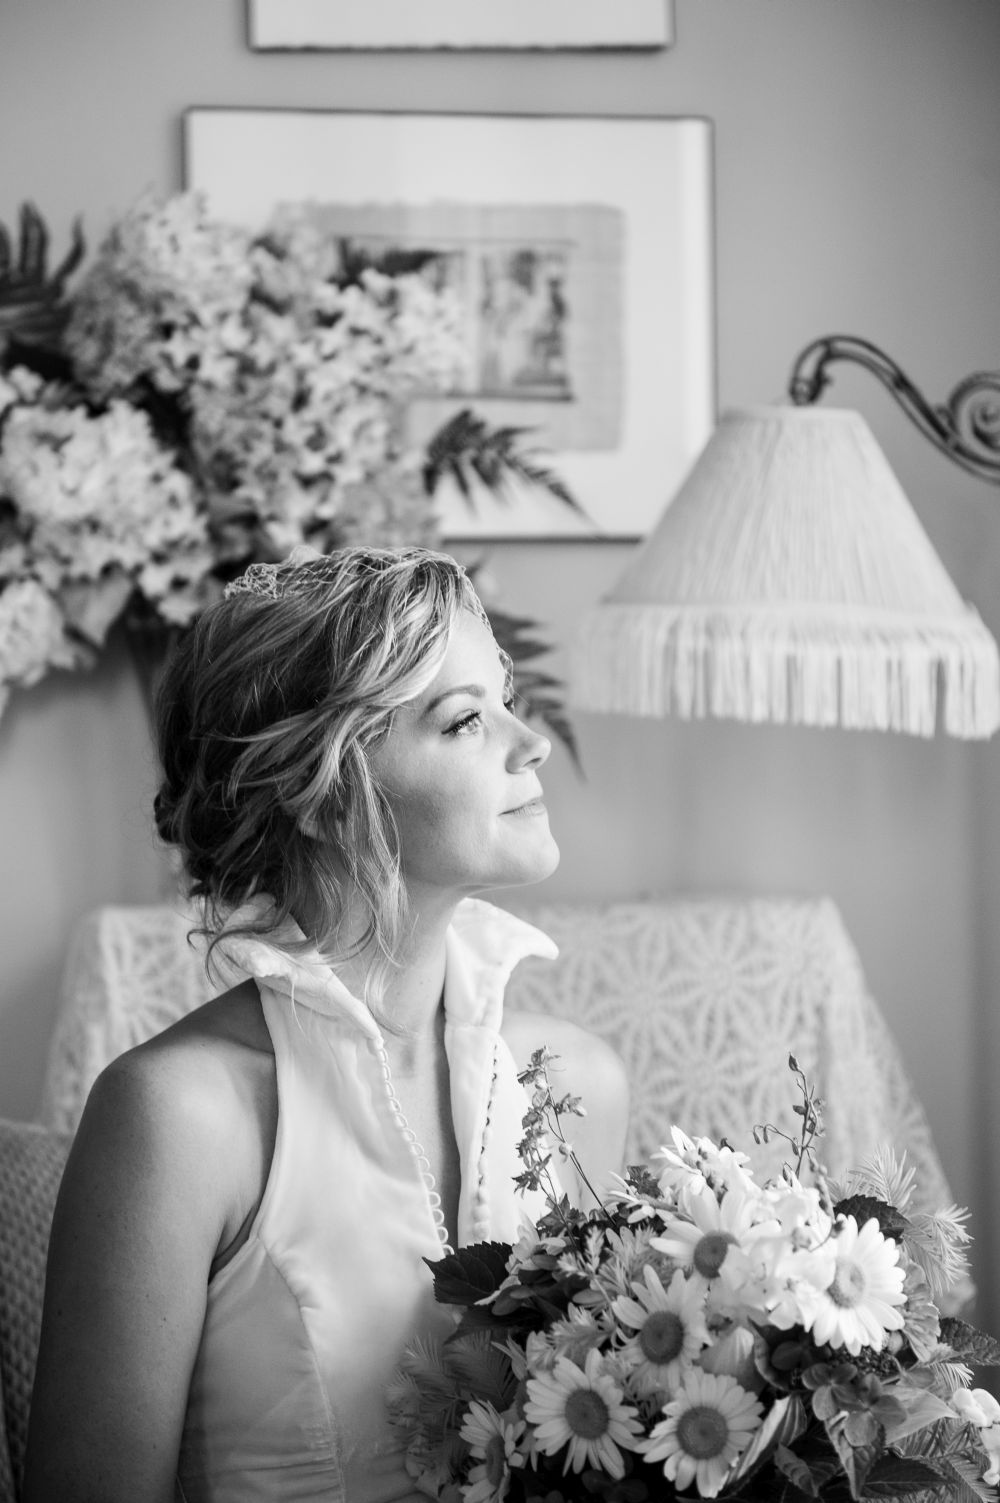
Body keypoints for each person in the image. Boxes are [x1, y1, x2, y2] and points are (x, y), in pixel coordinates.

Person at [23, 545, 629, 1503]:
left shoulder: (581, 1086)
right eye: (467, 720)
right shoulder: (173, 1117)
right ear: (322, 793)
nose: (530, 740)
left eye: (505, 695)